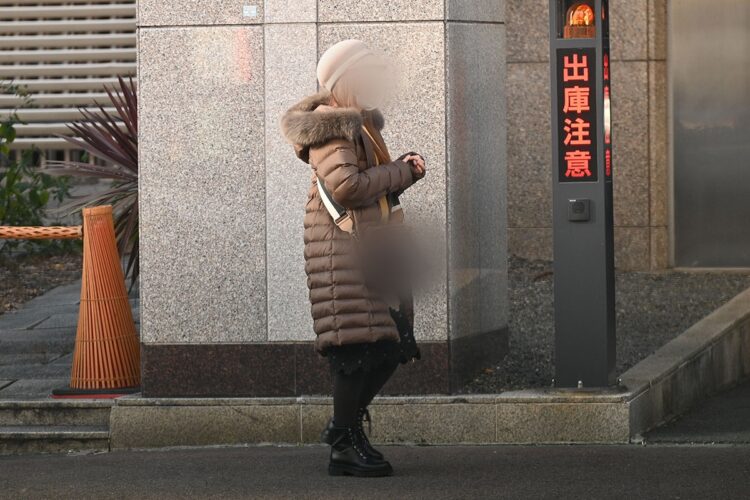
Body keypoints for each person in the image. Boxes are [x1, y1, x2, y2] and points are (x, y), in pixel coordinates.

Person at [281, 39, 426, 477]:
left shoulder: (360, 126)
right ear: (342, 80)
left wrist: (400, 172)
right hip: (342, 254)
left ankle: (345, 431)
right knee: (358, 348)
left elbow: (364, 187)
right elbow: (347, 186)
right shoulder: (333, 124)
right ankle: (343, 443)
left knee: (387, 345)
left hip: (360, 250)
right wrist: (403, 170)